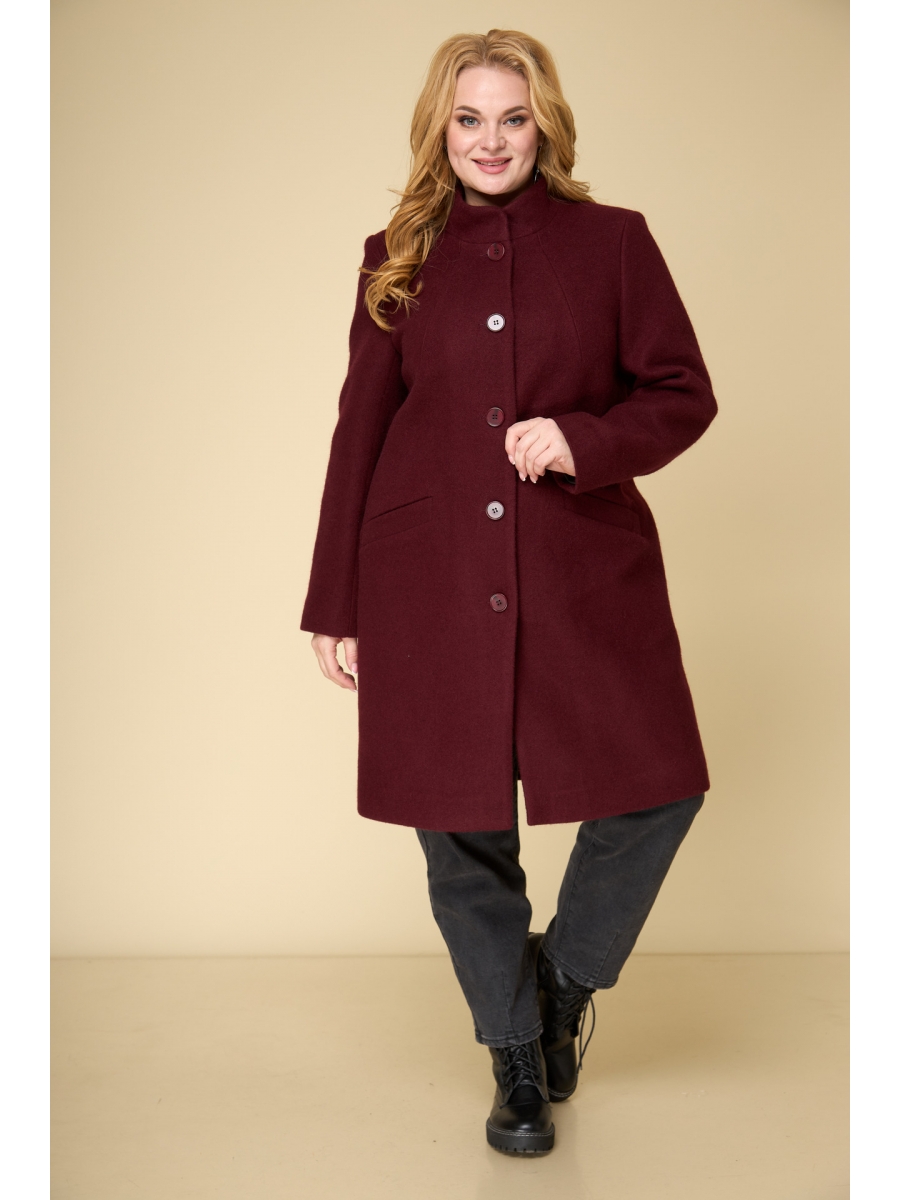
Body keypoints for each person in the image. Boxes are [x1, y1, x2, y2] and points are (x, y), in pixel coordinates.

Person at [301, 29, 717, 1156]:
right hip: (429, 578)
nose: (492, 140)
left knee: (658, 792)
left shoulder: (614, 242)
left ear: (546, 126)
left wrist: (584, 439)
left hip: (585, 573)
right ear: (441, 128)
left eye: (514, 118)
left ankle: (563, 985)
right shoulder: (396, 254)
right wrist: (334, 600)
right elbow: (359, 431)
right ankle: (517, 1058)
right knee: (461, 830)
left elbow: (682, 393)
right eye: (470, 118)